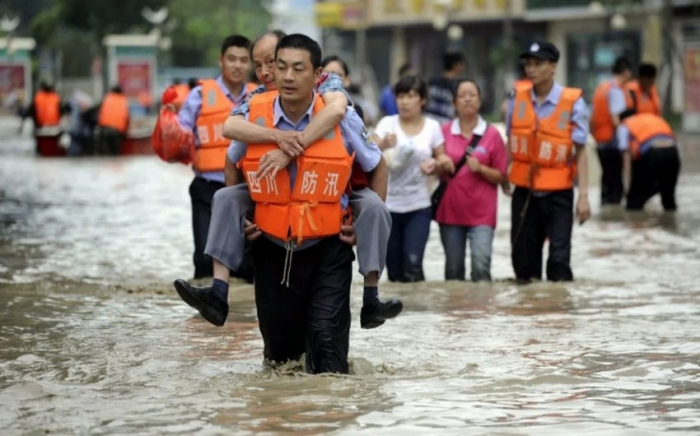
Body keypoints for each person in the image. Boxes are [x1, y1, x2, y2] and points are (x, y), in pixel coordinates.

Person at [174, 31, 402, 330]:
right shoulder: (255, 102)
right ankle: (218, 293)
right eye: (264, 66)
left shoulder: (330, 88)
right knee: (225, 197)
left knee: (374, 207)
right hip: (273, 211)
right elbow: (230, 134)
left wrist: (292, 149)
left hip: (331, 199)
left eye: (275, 63)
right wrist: (277, 139)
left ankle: (371, 296)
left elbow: (339, 113)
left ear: (309, 70)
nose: (270, 73)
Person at [235, 34, 384, 373]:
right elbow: (233, 163)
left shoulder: (341, 116)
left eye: (297, 68)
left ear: (317, 74)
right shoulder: (254, 116)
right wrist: (243, 217)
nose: (286, 76)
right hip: (272, 248)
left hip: (328, 248)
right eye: (280, 66)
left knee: (328, 355)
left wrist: (364, 223)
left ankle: (327, 420)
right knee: (280, 361)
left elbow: (378, 166)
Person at [505, 41, 591, 282]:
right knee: (524, 263)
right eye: (528, 64)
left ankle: (558, 313)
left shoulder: (573, 102)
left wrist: (583, 196)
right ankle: (530, 313)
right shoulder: (517, 98)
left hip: (559, 193)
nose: (531, 69)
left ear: (553, 67)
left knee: (559, 261)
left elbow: (581, 151)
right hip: (524, 190)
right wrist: (504, 176)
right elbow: (510, 141)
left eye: (538, 64)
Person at [177, 34, 255, 279]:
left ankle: (242, 315)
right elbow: (179, 134)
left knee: (245, 266)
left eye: (244, 60)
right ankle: (203, 309)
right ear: (221, 60)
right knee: (204, 259)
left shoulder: (259, 97)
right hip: (207, 188)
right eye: (232, 59)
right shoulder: (199, 96)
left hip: (247, 190)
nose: (237, 65)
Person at [375, 75, 452, 282]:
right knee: (393, 270)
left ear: (423, 100)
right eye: (400, 96)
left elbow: (442, 157)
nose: (404, 102)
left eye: (410, 96)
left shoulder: (432, 127)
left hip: (418, 206)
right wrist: (383, 144)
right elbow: (369, 149)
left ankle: (419, 311)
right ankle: (401, 314)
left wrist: (436, 164)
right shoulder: (387, 124)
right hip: (389, 207)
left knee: (413, 264)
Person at [436, 79, 507, 281]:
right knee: (453, 271)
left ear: (480, 100)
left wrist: (481, 169)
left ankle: (481, 311)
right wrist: (440, 164)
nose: (467, 99)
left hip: (482, 215)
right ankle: (456, 312)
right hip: (450, 212)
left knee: (481, 266)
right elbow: (432, 166)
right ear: (454, 103)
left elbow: (502, 175)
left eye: (472, 95)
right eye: (462, 95)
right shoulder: (444, 131)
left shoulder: (492, 134)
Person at [590, 56, 633, 205]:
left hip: (600, 142)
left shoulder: (601, 88)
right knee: (616, 187)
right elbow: (616, 120)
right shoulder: (616, 91)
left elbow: (592, 118)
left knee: (606, 184)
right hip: (612, 144)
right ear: (626, 72)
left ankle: (606, 221)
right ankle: (614, 221)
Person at [618, 112, 679, 211]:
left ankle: (633, 224)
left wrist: (628, 186)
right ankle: (670, 224)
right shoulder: (655, 118)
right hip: (673, 153)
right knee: (668, 199)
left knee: (633, 203)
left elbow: (626, 156)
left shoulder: (624, 126)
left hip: (652, 153)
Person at [426, 53, 465, 124]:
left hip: (428, 121)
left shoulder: (432, 81)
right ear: (455, 65)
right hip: (445, 125)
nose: (463, 67)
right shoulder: (457, 86)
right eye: (461, 64)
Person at [96, 85, 129, 155]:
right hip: (117, 132)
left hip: (104, 130)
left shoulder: (106, 99)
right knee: (115, 154)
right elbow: (127, 119)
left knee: (105, 154)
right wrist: (125, 133)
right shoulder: (123, 101)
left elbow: (99, 114)